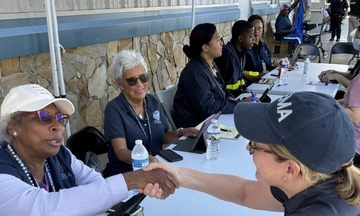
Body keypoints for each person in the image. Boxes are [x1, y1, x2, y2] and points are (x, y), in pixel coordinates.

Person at [145, 92, 360, 215]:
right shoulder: (322, 181)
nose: (248, 148)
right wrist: (176, 174)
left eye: (255, 146)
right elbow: (244, 191)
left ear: (290, 169)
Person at [0, 84, 178, 215]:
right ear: (13, 126)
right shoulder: (3, 173)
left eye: (60, 118)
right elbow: (44, 208)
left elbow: (96, 184)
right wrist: (131, 180)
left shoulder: (62, 155)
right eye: (44, 117)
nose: (58, 126)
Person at [103, 50, 198, 177]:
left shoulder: (152, 101)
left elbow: (163, 135)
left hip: (155, 168)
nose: (139, 84)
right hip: (128, 174)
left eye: (143, 78)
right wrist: (146, 159)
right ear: (119, 84)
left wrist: (181, 133)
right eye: (131, 80)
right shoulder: (114, 110)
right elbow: (121, 152)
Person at [173, 23, 253, 128]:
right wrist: (239, 105)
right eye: (217, 40)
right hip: (196, 127)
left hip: (213, 120)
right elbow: (209, 107)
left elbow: (222, 89)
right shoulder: (195, 72)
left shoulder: (211, 64)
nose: (221, 43)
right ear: (205, 47)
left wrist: (231, 98)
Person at [214, 20, 255, 96]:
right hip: (229, 100)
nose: (254, 39)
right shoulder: (226, 55)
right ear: (240, 38)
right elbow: (220, 86)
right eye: (251, 36)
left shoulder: (242, 54)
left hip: (238, 96)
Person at [318, 25, 360, 99]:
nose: (356, 40)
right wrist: (333, 72)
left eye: (358, 37)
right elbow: (351, 77)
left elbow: (356, 88)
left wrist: (337, 77)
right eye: (356, 37)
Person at [244, 15, 278, 85]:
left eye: (259, 28)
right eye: (253, 29)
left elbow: (266, 66)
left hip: (265, 81)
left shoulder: (264, 47)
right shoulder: (245, 48)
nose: (256, 32)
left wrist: (274, 67)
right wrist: (254, 77)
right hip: (251, 84)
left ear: (263, 30)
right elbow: (239, 72)